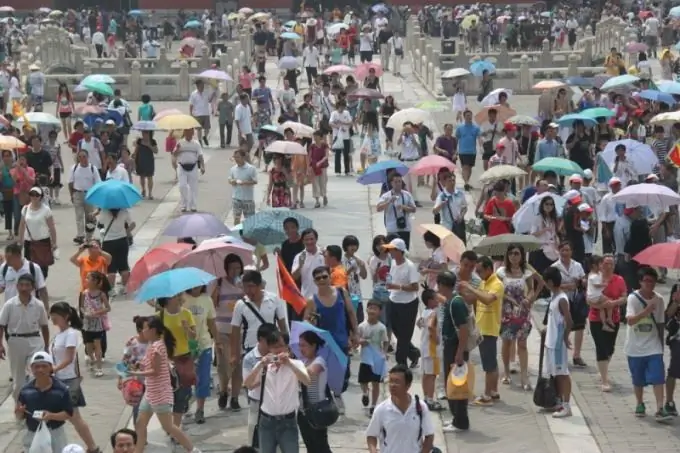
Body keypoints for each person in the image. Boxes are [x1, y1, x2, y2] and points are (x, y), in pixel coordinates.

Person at [129, 316, 202, 453]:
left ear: (153, 330)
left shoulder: (157, 347)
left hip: (160, 394)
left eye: (145, 329)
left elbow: (155, 371)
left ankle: (192, 449)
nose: (143, 331)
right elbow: (148, 363)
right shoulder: (153, 344)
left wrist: (138, 374)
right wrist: (139, 365)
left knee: (169, 427)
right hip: (150, 393)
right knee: (140, 423)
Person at [247, 330, 310, 453]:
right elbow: (248, 384)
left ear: (287, 347)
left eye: (281, 346)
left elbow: (306, 381)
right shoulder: (265, 366)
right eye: (274, 347)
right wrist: (260, 365)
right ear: (269, 349)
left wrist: (289, 364)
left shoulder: (296, 364)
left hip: (288, 422)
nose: (278, 350)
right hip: (266, 423)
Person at [48, 302, 100, 453]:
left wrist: (53, 369)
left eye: (55, 314)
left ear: (65, 316)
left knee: (74, 416)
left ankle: (92, 447)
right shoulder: (59, 335)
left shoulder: (71, 333)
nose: (52, 318)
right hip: (58, 379)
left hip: (69, 380)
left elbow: (69, 358)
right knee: (71, 416)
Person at [625, 267, 671, 420]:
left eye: (652, 281)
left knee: (658, 377)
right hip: (635, 346)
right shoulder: (632, 298)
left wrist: (661, 345)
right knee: (638, 379)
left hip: (653, 346)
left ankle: (659, 407)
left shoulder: (659, 299)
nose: (650, 284)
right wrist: (645, 311)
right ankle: (640, 402)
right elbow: (630, 321)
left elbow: (660, 323)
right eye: (646, 281)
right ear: (640, 282)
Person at [0, 273, 49, 399]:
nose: (24, 288)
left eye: (27, 285)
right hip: (16, 342)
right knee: (19, 380)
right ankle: (19, 408)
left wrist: (47, 346)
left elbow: (44, 326)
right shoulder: (9, 305)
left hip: (35, 341)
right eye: (21, 285)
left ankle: (36, 403)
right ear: (17, 287)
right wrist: (0, 344)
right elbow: (1, 325)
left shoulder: (38, 305)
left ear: (33, 287)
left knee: (36, 373)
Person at [366, 364, 435, 453]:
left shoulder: (420, 407)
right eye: (391, 381)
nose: (392, 385)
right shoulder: (381, 410)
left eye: (397, 382)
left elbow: (429, 436)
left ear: (408, 385)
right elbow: (371, 436)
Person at [16, 352, 72, 452]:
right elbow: (19, 416)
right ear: (31, 369)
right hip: (32, 433)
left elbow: (68, 414)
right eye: (36, 366)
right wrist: (19, 412)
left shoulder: (62, 389)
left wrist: (51, 416)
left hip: (55, 434)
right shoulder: (25, 391)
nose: (40, 369)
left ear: (51, 368)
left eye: (44, 366)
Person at [230, 270, 288, 363]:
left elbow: (282, 325)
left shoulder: (273, 299)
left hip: (272, 346)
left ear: (260, 285)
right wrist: (233, 354)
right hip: (251, 348)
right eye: (245, 287)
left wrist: (285, 346)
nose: (247, 291)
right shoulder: (240, 304)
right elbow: (235, 331)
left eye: (250, 286)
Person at [213, 253, 245, 410]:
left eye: (238, 268)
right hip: (221, 329)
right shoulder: (218, 282)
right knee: (223, 364)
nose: (235, 271)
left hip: (238, 330)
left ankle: (235, 397)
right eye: (232, 268)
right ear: (226, 269)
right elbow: (212, 305)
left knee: (236, 364)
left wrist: (244, 290)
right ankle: (224, 391)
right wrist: (216, 292)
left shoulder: (243, 283)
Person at [183, 285, 219, 424]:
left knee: (203, 378)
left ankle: (200, 409)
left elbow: (211, 322)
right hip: (185, 347)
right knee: (185, 378)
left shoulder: (207, 299)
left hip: (204, 344)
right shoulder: (182, 299)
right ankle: (184, 400)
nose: (196, 287)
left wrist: (218, 340)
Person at [383, 238, 421, 368]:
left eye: (392, 250)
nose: (389, 252)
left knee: (404, 335)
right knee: (396, 331)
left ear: (399, 251)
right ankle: (414, 353)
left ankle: (401, 365)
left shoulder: (409, 266)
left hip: (407, 304)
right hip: (393, 301)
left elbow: (415, 287)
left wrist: (397, 286)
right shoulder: (393, 262)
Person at [542, 267, 574, 418]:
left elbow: (569, 321)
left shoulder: (561, 299)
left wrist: (565, 338)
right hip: (551, 342)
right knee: (556, 374)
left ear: (549, 282)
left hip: (558, 344)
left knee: (563, 374)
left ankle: (567, 406)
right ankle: (560, 402)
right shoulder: (554, 296)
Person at [296, 330, 333, 453]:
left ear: (313, 345)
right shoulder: (303, 362)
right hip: (303, 411)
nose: (301, 349)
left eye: (304, 345)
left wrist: (292, 366)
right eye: (299, 345)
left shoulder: (320, 361)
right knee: (310, 446)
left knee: (321, 446)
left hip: (318, 411)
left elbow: (309, 374)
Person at [242, 323, 277, 444]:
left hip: (275, 403)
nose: (273, 344)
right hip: (257, 403)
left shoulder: (277, 354)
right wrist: (265, 370)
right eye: (270, 341)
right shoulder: (249, 358)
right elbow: (248, 385)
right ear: (261, 340)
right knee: (255, 439)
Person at [18, 186, 57, 278]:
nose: (34, 197)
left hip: (43, 242)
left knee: (43, 269)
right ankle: (33, 289)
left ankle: (40, 286)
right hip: (29, 242)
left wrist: (54, 243)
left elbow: (51, 227)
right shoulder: (25, 209)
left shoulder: (46, 210)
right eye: (32, 194)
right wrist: (20, 241)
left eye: (37, 195)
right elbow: (22, 225)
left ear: (41, 197)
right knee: (29, 268)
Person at [79, 271, 111, 377]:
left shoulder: (101, 294)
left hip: (98, 324)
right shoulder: (84, 293)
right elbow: (81, 307)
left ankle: (99, 368)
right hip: (87, 324)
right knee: (88, 346)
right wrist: (85, 313)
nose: (86, 280)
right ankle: (92, 359)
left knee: (98, 345)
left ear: (95, 281)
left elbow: (108, 308)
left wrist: (97, 313)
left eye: (88, 278)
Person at [376, 173, 417, 249]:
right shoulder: (386, 196)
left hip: (405, 228)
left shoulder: (407, 194)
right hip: (392, 229)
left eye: (400, 181)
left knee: (404, 252)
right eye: (396, 182)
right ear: (391, 183)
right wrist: (388, 202)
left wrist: (404, 207)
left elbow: (414, 209)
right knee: (392, 252)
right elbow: (378, 208)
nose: (398, 184)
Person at [69, 149, 101, 244]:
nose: (82, 159)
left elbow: (98, 182)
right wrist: (72, 195)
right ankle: (80, 235)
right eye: (80, 157)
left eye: (84, 156)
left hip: (90, 195)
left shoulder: (92, 168)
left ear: (88, 157)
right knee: (79, 216)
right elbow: (70, 182)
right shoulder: (74, 168)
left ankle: (89, 236)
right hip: (78, 194)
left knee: (90, 216)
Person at [98, 208, 134, 290]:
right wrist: (126, 232)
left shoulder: (104, 211)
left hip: (108, 242)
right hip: (122, 241)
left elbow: (100, 223)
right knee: (124, 265)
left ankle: (111, 290)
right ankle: (126, 288)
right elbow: (133, 224)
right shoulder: (124, 211)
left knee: (110, 268)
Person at [173, 128, 205, 212]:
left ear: (193, 133)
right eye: (187, 132)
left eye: (191, 132)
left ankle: (193, 205)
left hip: (193, 166)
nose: (189, 134)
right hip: (182, 166)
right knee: (182, 186)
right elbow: (174, 154)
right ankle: (184, 204)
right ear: (184, 132)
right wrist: (177, 149)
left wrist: (202, 166)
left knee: (193, 187)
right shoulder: (180, 143)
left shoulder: (196, 143)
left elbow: (200, 155)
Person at [230, 149, 257, 225]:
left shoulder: (251, 169)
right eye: (235, 157)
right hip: (236, 197)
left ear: (243, 157)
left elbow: (255, 181)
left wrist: (244, 182)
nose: (236, 159)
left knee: (249, 220)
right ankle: (236, 233)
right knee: (236, 218)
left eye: (238, 157)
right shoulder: (233, 169)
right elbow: (229, 179)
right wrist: (232, 181)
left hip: (248, 199)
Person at [132, 130, 158, 199]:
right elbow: (136, 150)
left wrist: (149, 146)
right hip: (140, 160)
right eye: (143, 133)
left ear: (149, 133)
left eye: (146, 133)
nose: (144, 134)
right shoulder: (139, 141)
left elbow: (156, 151)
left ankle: (150, 193)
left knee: (150, 176)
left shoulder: (153, 141)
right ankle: (143, 189)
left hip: (149, 160)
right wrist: (134, 157)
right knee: (142, 176)